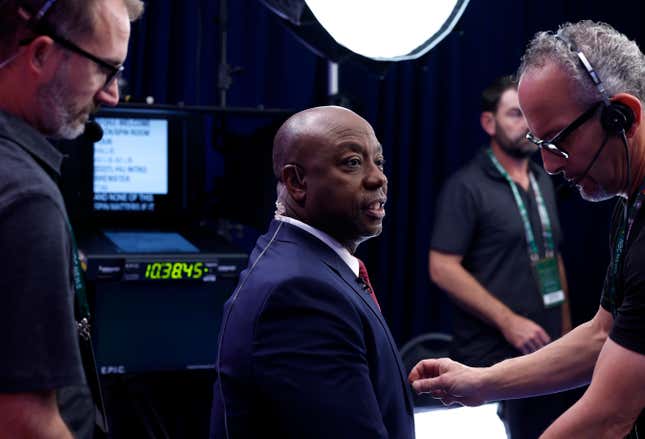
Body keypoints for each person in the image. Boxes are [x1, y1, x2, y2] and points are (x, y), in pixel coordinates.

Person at [410, 20, 645, 438]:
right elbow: (601, 337)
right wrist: (480, 381)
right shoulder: (629, 203)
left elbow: (610, 414)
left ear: (621, 116)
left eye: (557, 141)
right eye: (541, 146)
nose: (551, 166)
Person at [210, 106, 415, 438]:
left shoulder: (306, 265)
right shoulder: (299, 295)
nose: (378, 177)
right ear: (296, 181)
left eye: (378, 162)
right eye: (352, 162)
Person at [0, 0, 143, 437]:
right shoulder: (27, 202)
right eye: (105, 69)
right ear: (41, 54)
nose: (112, 94)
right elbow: (27, 426)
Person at [429, 75, 574, 438]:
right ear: (488, 123)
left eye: (528, 115)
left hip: (546, 354)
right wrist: (509, 321)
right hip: (491, 354)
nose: (525, 126)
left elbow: (551, 255)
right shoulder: (466, 186)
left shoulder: (543, 179)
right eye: (514, 115)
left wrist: (568, 334)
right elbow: (442, 267)